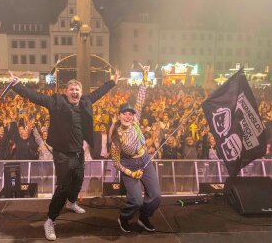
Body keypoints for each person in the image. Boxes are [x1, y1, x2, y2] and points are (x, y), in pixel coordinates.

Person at [9, 70, 119, 241]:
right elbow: (35, 96)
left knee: (79, 178)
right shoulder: (56, 101)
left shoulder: (85, 102)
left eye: (77, 90)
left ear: (81, 93)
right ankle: (50, 220)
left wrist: (112, 82)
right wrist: (17, 85)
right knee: (63, 186)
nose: (75, 92)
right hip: (61, 152)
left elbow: (99, 93)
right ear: (66, 91)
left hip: (78, 152)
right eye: (72, 89)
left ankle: (71, 202)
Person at [109, 65, 160, 233]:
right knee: (136, 201)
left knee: (155, 197)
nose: (128, 116)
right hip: (128, 165)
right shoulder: (116, 137)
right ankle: (124, 217)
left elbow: (140, 97)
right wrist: (131, 173)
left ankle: (143, 218)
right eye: (124, 113)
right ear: (119, 115)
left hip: (145, 160)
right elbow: (116, 163)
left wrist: (145, 75)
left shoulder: (136, 122)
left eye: (130, 113)